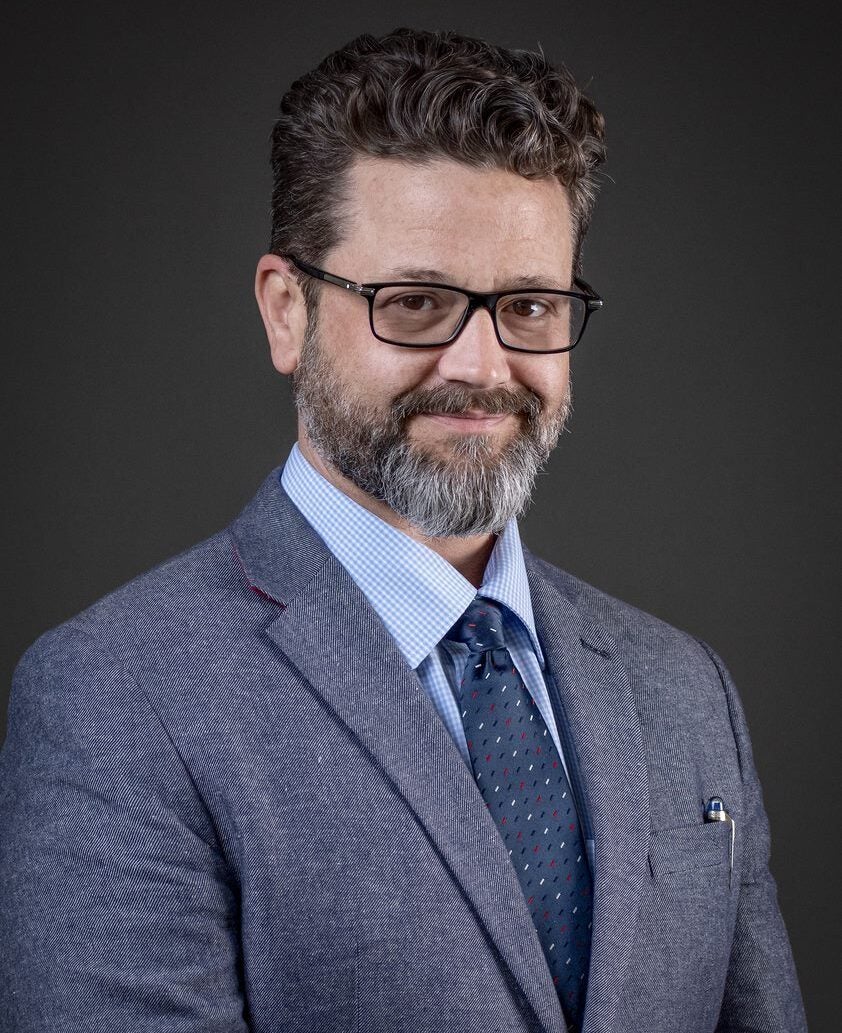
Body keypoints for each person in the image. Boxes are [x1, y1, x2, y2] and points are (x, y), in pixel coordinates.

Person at [0, 26, 806, 1033]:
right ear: (286, 311)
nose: (481, 365)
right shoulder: (117, 698)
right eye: (416, 302)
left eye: (528, 305)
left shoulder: (684, 689)